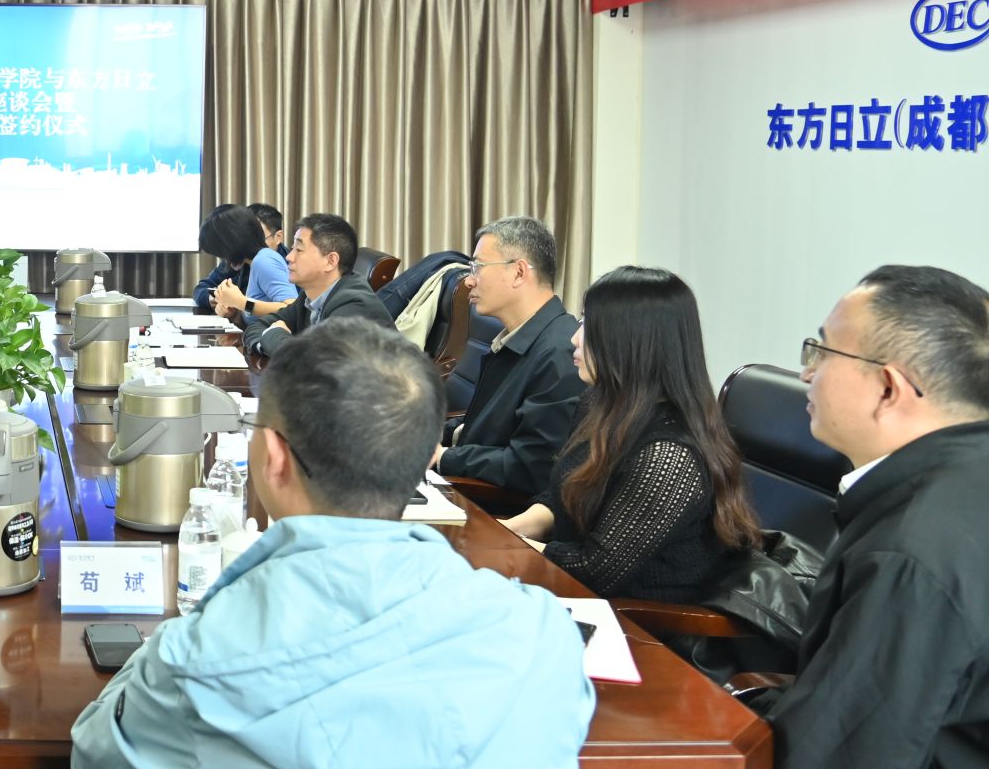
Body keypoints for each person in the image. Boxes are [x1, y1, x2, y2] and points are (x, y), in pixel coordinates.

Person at [71, 319, 593, 769]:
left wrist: (166, 646)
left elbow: (100, 754)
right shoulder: (543, 635)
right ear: (424, 457)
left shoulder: (207, 657)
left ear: (272, 457)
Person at [714, 266, 989, 769]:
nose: (806, 372)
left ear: (888, 388)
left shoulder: (912, 549)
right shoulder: (960, 482)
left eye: (821, 350)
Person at [503, 267, 759, 603]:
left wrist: (506, 547)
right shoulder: (600, 403)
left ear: (631, 342)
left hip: (638, 621)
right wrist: (509, 529)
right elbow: (563, 495)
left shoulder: (669, 457)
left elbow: (595, 570)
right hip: (568, 594)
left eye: (589, 325)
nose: (574, 338)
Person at [432, 215, 586, 495]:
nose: (469, 281)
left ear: (519, 272)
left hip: (496, 508)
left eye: (478, 267)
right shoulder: (514, 338)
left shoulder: (561, 354)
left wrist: (444, 457)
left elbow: (531, 467)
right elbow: (484, 427)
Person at [242, 214, 394, 358]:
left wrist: (274, 335)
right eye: (292, 248)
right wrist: (265, 344)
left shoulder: (354, 305)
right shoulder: (310, 296)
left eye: (299, 250)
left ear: (330, 261)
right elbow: (257, 326)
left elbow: (315, 363)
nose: (289, 257)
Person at [212, 203, 297, 318]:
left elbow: (291, 310)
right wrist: (235, 313)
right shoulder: (250, 260)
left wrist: (241, 302)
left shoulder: (265, 259)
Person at [190, 203, 247, 311]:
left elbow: (281, 309)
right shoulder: (234, 260)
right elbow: (202, 287)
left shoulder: (265, 262)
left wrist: (241, 305)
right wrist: (211, 298)